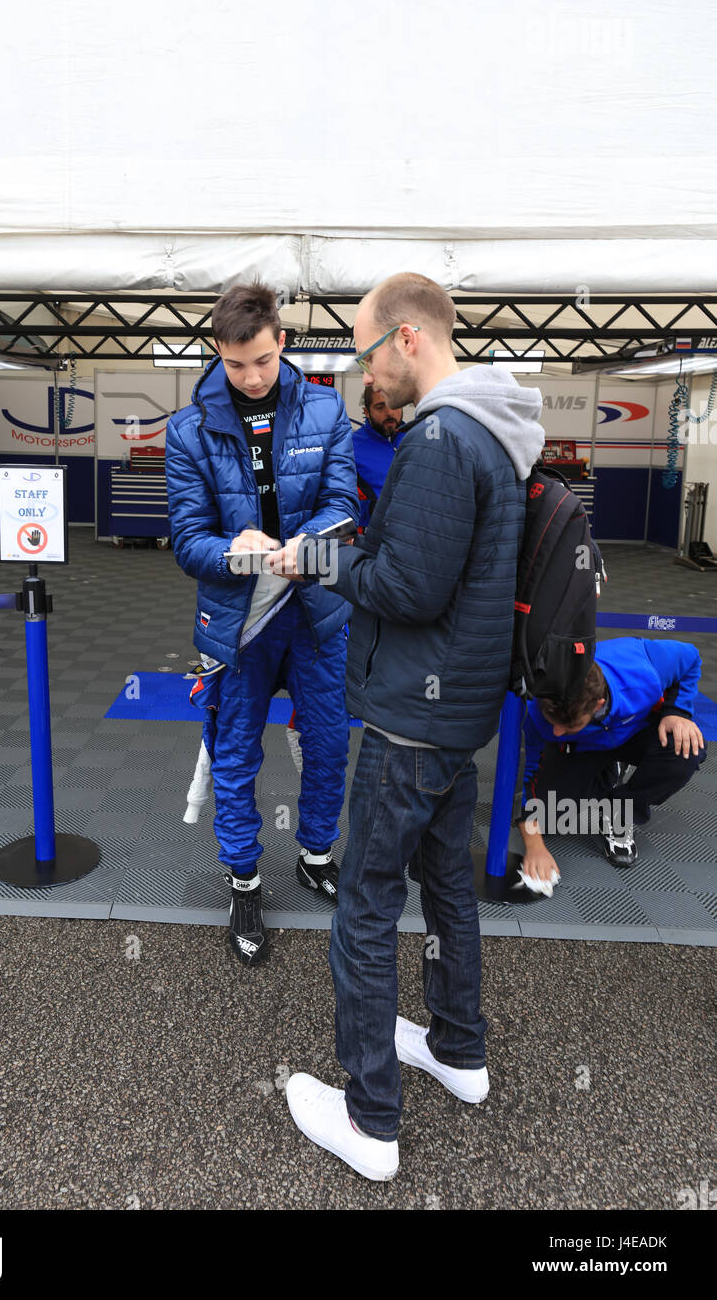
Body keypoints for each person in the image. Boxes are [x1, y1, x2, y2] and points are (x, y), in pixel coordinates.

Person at [266, 271, 544, 1180]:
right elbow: (430, 562)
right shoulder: (497, 433)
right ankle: (460, 1052)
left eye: (366, 352)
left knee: (365, 907)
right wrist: (342, 550)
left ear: (408, 340)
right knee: (448, 890)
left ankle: (370, 1119)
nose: (364, 374)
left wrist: (318, 567)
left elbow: (405, 588)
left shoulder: (438, 438)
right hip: (458, 711)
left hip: (410, 716)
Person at [165, 281, 359, 967]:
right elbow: (188, 539)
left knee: (329, 743)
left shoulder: (328, 407)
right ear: (217, 351)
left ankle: (314, 854)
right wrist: (230, 551)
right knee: (236, 751)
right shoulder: (188, 430)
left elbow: (342, 503)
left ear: (282, 340)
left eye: (261, 361)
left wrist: (300, 549)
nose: (249, 378)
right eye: (233, 364)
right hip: (238, 619)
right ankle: (244, 882)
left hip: (314, 610)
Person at [517, 637, 706, 881]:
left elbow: (691, 656)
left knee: (686, 750)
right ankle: (607, 770)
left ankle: (619, 811)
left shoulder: (643, 669)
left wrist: (678, 712)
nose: (555, 732)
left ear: (598, 705)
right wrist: (534, 846)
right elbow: (532, 774)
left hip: (635, 732)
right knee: (552, 819)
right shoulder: (539, 711)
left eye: (569, 725)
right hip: (582, 748)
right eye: (554, 724)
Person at [352, 387, 405, 531]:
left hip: (414, 536)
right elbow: (339, 501)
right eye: (380, 407)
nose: (389, 412)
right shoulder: (350, 447)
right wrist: (372, 509)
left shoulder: (416, 438)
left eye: (394, 405)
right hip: (373, 539)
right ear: (366, 412)